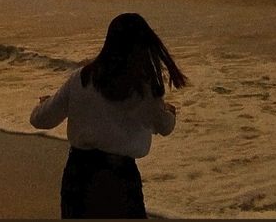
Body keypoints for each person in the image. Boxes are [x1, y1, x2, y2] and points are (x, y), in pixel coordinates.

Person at [30, 12, 188, 218]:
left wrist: (45, 103)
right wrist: (170, 112)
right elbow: (164, 127)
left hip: (79, 174)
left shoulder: (81, 78)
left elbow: (40, 120)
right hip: (119, 177)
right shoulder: (142, 88)